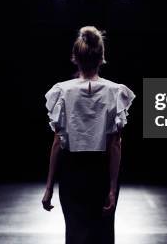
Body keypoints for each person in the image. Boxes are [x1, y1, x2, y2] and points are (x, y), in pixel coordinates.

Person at [41, 26, 135, 244]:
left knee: (75, 235)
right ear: (102, 58)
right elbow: (115, 145)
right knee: (102, 235)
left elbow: (57, 143)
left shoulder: (62, 91)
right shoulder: (115, 92)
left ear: (75, 58)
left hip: (72, 172)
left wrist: (48, 188)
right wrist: (111, 188)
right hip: (101, 172)